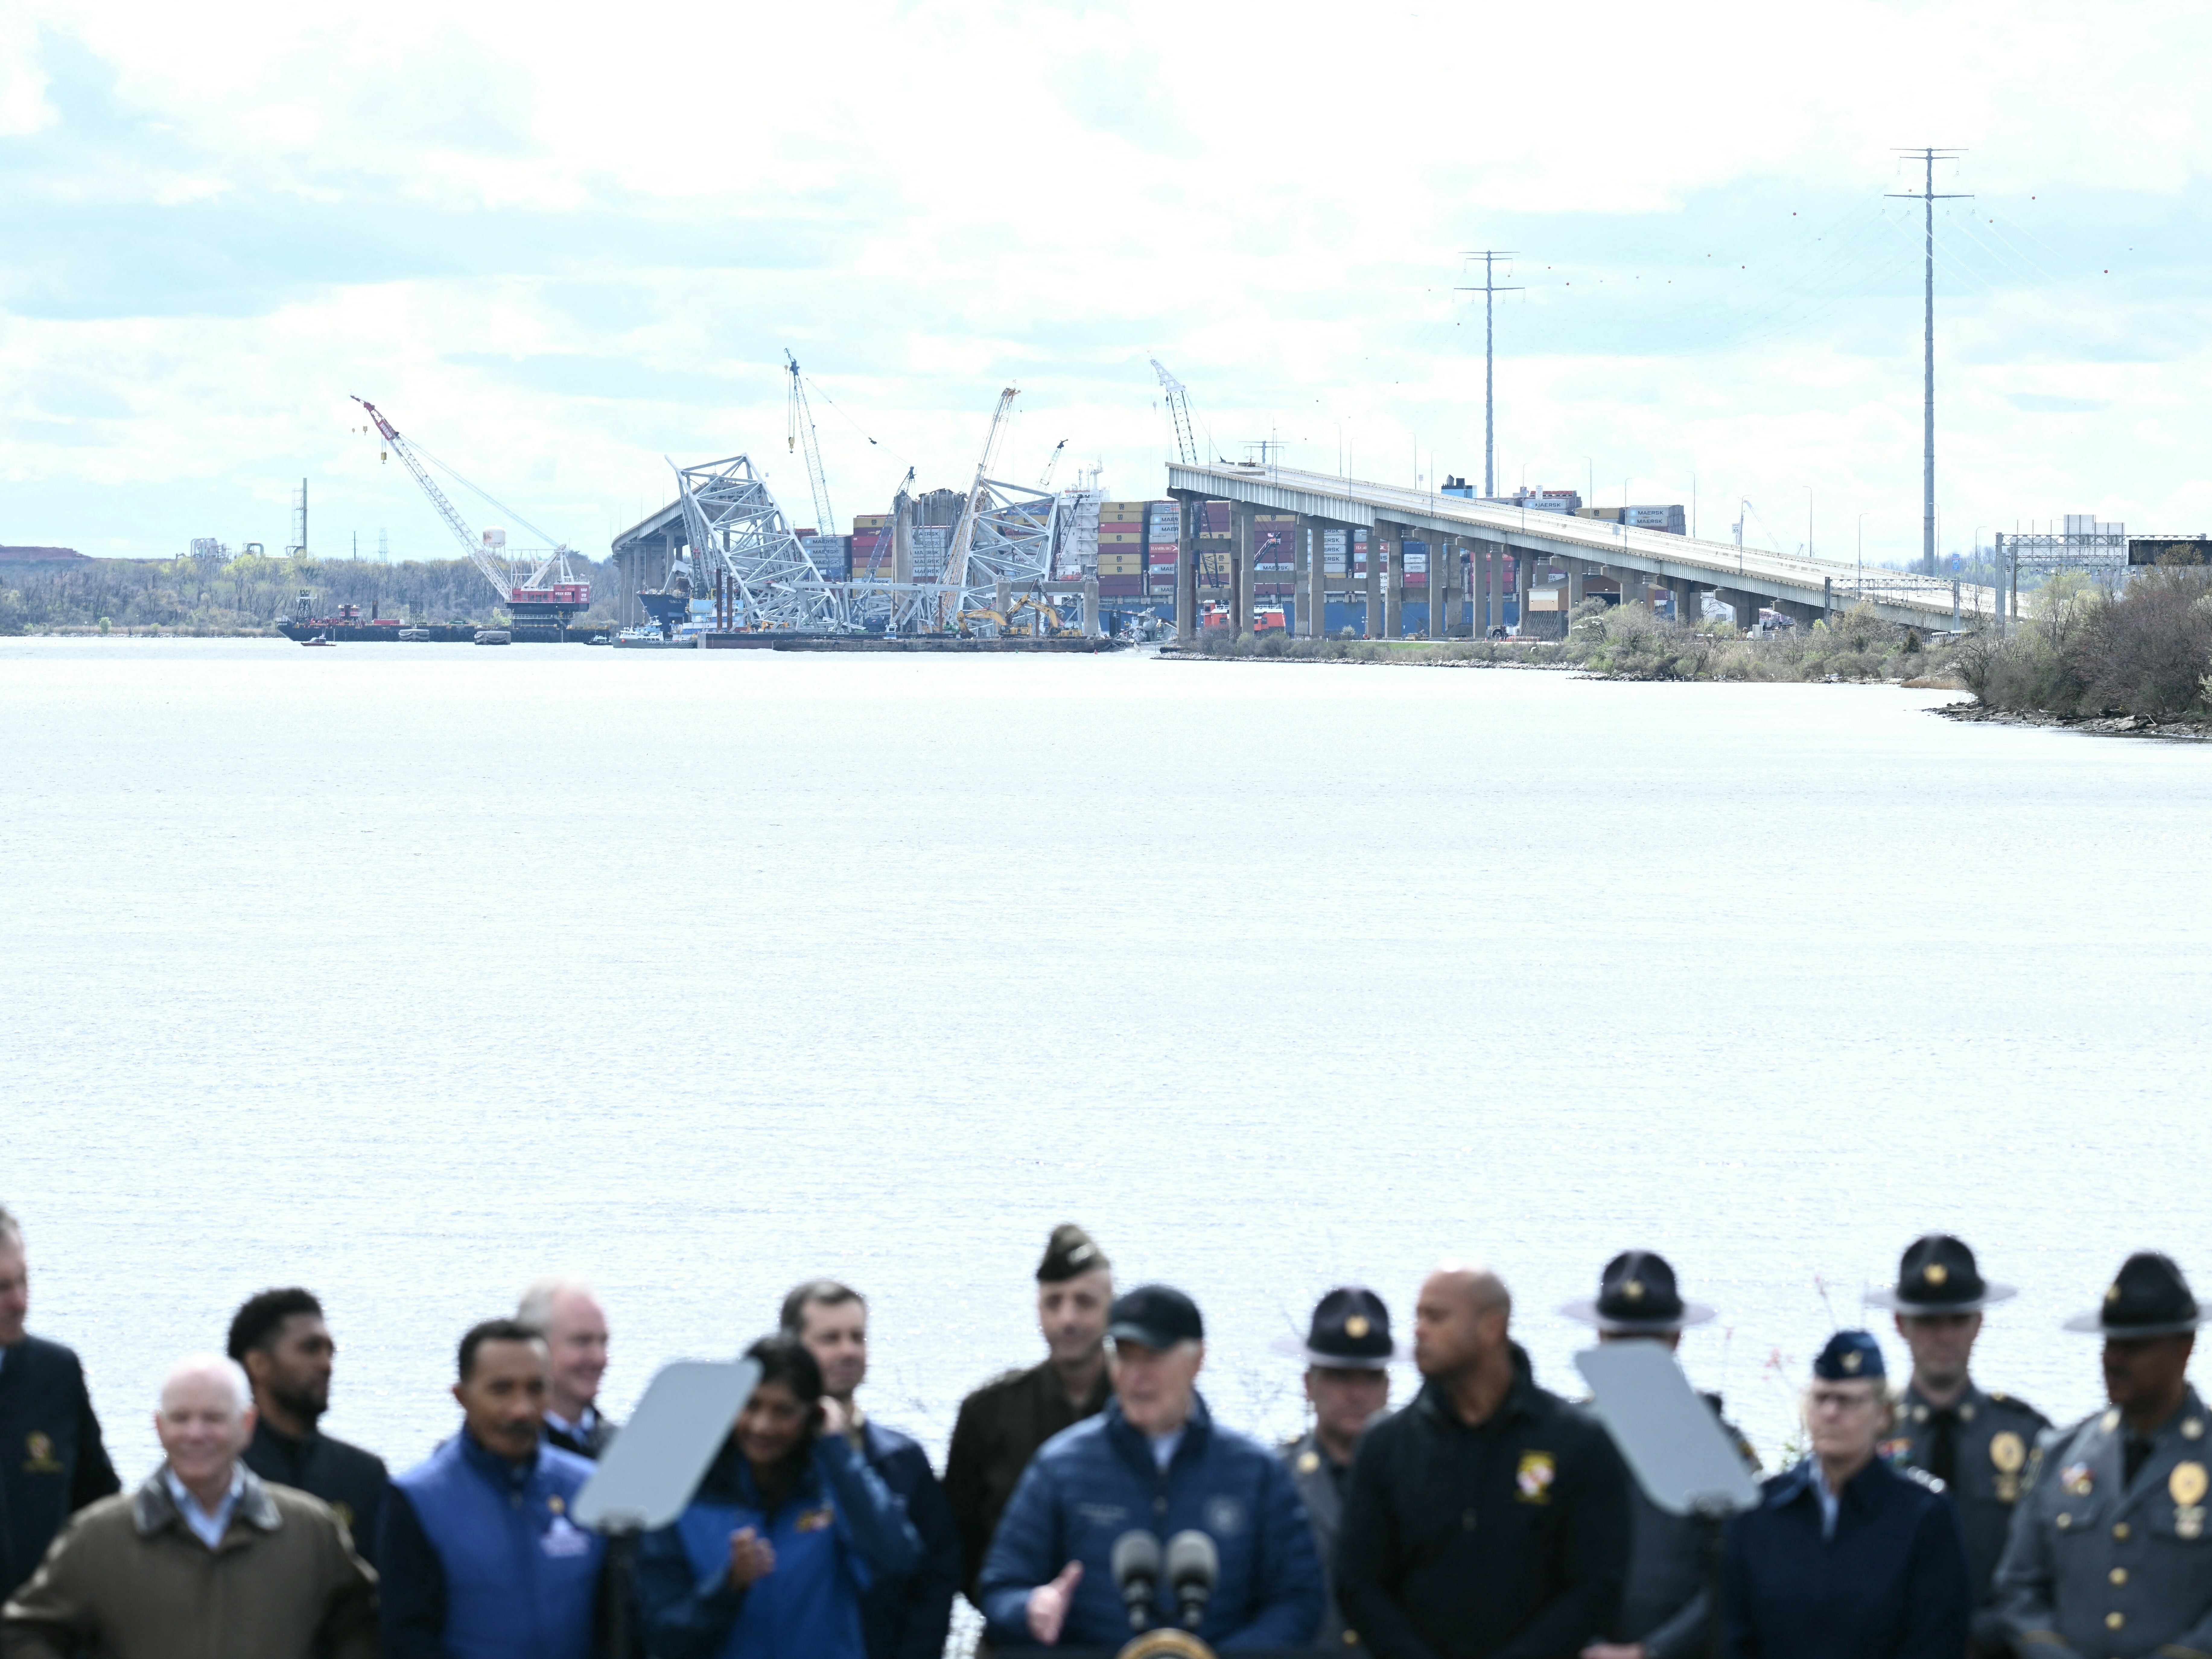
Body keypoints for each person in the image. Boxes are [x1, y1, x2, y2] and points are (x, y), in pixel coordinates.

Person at [979, 1283, 1323, 1649]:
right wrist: (1031, 1608)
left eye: (1152, 1358)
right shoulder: (1061, 1467)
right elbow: (1001, 1586)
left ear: (1197, 1361)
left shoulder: (1255, 1473)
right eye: (1125, 1358)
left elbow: (1298, 1600)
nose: (1136, 1377)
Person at [1336, 1264, 1631, 1659]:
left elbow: (1597, 1583)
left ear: (1492, 1328)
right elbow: (1359, 1581)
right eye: (1418, 1316)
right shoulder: (1387, 1445)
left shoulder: (1575, 1441)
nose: (1419, 1331)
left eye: (1436, 1317)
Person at [0, 1353, 376, 1659]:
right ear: (159, 1427)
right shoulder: (99, 1537)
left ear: (247, 1424)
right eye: (181, 1419)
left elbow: (365, 1627)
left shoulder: (310, 1531)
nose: (196, 1434)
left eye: (213, 1418)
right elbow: (24, 1633)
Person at [634, 1333, 922, 1659]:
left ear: (811, 1415)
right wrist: (728, 1587)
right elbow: (663, 1636)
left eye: (783, 1411)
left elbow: (898, 1560)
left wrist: (837, 1448)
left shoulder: (837, 1488)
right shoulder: (687, 1496)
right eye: (752, 1405)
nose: (762, 1426)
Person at [1995, 1251, 2212, 1659]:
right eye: (2110, 1342)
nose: (2113, 1359)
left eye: (2133, 1346)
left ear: (2184, 1348)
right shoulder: (2060, 1453)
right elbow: (2019, 1587)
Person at [1723, 1331, 1970, 1659]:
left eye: (1848, 1401)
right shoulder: (1760, 1510)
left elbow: (1937, 1641)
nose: (1830, 1413)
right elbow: (1732, 1634)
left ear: (1883, 1414)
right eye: (1821, 1398)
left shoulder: (1923, 1516)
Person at [1565, 1251, 1758, 1659]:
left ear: (1674, 1339)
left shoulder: (1719, 1445)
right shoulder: (1563, 1437)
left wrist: (1654, 1650)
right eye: (1623, 1338)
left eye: (1646, 1340)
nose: (1633, 1353)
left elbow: (1739, 1574)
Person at [380, 1318, 607, 1659]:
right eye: (501, 1390)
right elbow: (408, 1638)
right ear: (462, 1397)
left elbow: (619, 1624)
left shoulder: (590, 1488)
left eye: (536, 1388)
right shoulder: (418, 1499)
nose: (521, 1409)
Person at [1864, 1233, 2047, 1656]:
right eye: (1929, 1321)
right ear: (1901, 1324)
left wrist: (1984, 1636)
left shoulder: (2029, 1438)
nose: (1944, 1336)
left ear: (1978, 1323)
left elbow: (2050, 1566)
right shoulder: (1868, 1439)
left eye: (1957, 1319)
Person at [782, 1280, 961, 1659]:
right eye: (830, 1339)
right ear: (792, 1349)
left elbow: (937, 1578)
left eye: (857, 1337)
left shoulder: (904, 1460)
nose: (848, 1351)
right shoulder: (765, 1459)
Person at [945, 1224, 1115, 1598]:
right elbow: (957, 1543)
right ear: (1038, 1309)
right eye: (1054, 1303)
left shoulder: (1145, 1408)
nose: (1068, 1319)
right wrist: (1008, 1605)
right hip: (1015, 1621)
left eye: (1085, 1302)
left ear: (1112, 1308)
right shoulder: (988, 1414)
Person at [0, 1207, 119, 1605]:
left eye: (24, 1280)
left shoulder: (57, 1373)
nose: (19, 1302)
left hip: (44, 1626)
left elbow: (100, 1504)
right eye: (2, 1287)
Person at [228, 1286, 391, 1565]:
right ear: (258, 1364)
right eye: (311, 1349)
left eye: (330, 1352)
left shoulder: (363, 1475)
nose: (326, 1365)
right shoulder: (221, 1475)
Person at [1275, 1286, 1397, 1652]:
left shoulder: (1425, 1479)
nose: (1356, 1394)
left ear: (1387, 1388)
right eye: (1341, 1377)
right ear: (1309, 1386)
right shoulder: (1274, 1480)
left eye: (1369, 1378)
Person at [519, 1279, 615, 1459]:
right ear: (535, 1348)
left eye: (603, 1342)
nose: (599, 1358)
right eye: (582, 1341)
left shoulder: (627, 1450)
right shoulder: (500, 1456)